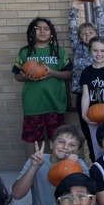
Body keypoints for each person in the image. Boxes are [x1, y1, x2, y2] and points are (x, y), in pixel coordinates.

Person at [12, 17, 72, 156]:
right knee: (31, 139)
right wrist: (25, 76)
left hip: (55, 103)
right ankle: (30, 171)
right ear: (32, 33)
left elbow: (69, 74)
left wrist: (52, 73)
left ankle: (58, 169)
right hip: (33, 104)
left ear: (51, 33)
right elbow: (17, 76)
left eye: (46, 29)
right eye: (38, 28)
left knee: (58, 139)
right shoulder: (24, 52)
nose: (42, 31)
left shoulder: (59, 52)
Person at [68, 0, 104, 161]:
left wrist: (97, 3)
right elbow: (71, 26)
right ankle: (95, 161)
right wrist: (75, 6)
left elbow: (102, 24)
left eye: (89, 32)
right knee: (88, 131)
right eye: (82, 33)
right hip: (82, 95)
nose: (86, 35)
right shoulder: (77, 48)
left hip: (102, 94)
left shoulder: (100, 44)